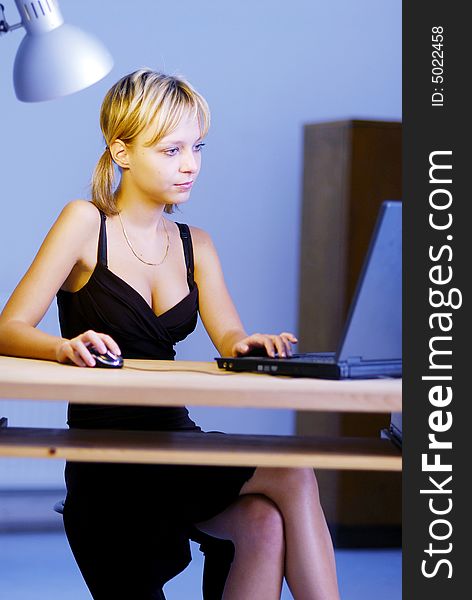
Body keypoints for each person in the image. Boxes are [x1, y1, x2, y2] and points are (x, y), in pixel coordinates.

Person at [0, 69, 340, 600]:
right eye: (170, 149)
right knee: (292, 473)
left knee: (265, 521)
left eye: (197, 147)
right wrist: (63, 348)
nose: (190, 165)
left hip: (175, 440)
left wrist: (250, 346)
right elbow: (8, 329)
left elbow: (230, 336)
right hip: (107, 458)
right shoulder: (84, 222)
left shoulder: (196, 244)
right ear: (122, 151)